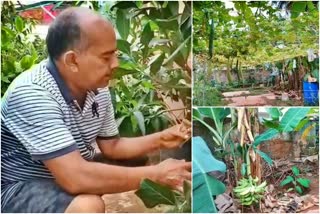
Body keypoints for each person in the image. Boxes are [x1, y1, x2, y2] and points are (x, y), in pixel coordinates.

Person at [1, 7, 191, 213]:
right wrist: (157, 174)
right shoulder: (33, 93)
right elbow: (75, 177)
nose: (116, 64)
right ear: (72, 61)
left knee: (136, 163)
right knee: (88, 206)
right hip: (17, 185)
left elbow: (112, 146)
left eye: (115, 54)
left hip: (63, 171)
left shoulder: (96, 88)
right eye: (106, 57)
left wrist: (163, 138)